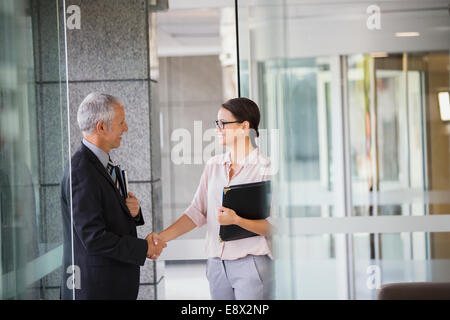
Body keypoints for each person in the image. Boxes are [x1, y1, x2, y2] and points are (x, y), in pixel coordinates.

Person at [157, 97, 274, 300]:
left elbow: (273, 226)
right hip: (216, 266)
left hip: (251, 265)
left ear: (244, 127)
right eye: (216, 123)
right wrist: (161, 238)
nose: (218, 128)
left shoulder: (265, 168)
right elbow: (196, 212)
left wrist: (237, 221)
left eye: (223, 123)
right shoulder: (214, 165)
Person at [60, 92, 166, 300]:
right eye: (121, 123)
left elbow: (105, 216)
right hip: (96, 290)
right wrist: (143, 248)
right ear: (101, 127)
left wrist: (133, 213)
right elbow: (94, 237)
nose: (125, 128)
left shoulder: (101, 163)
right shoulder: (81, 171)